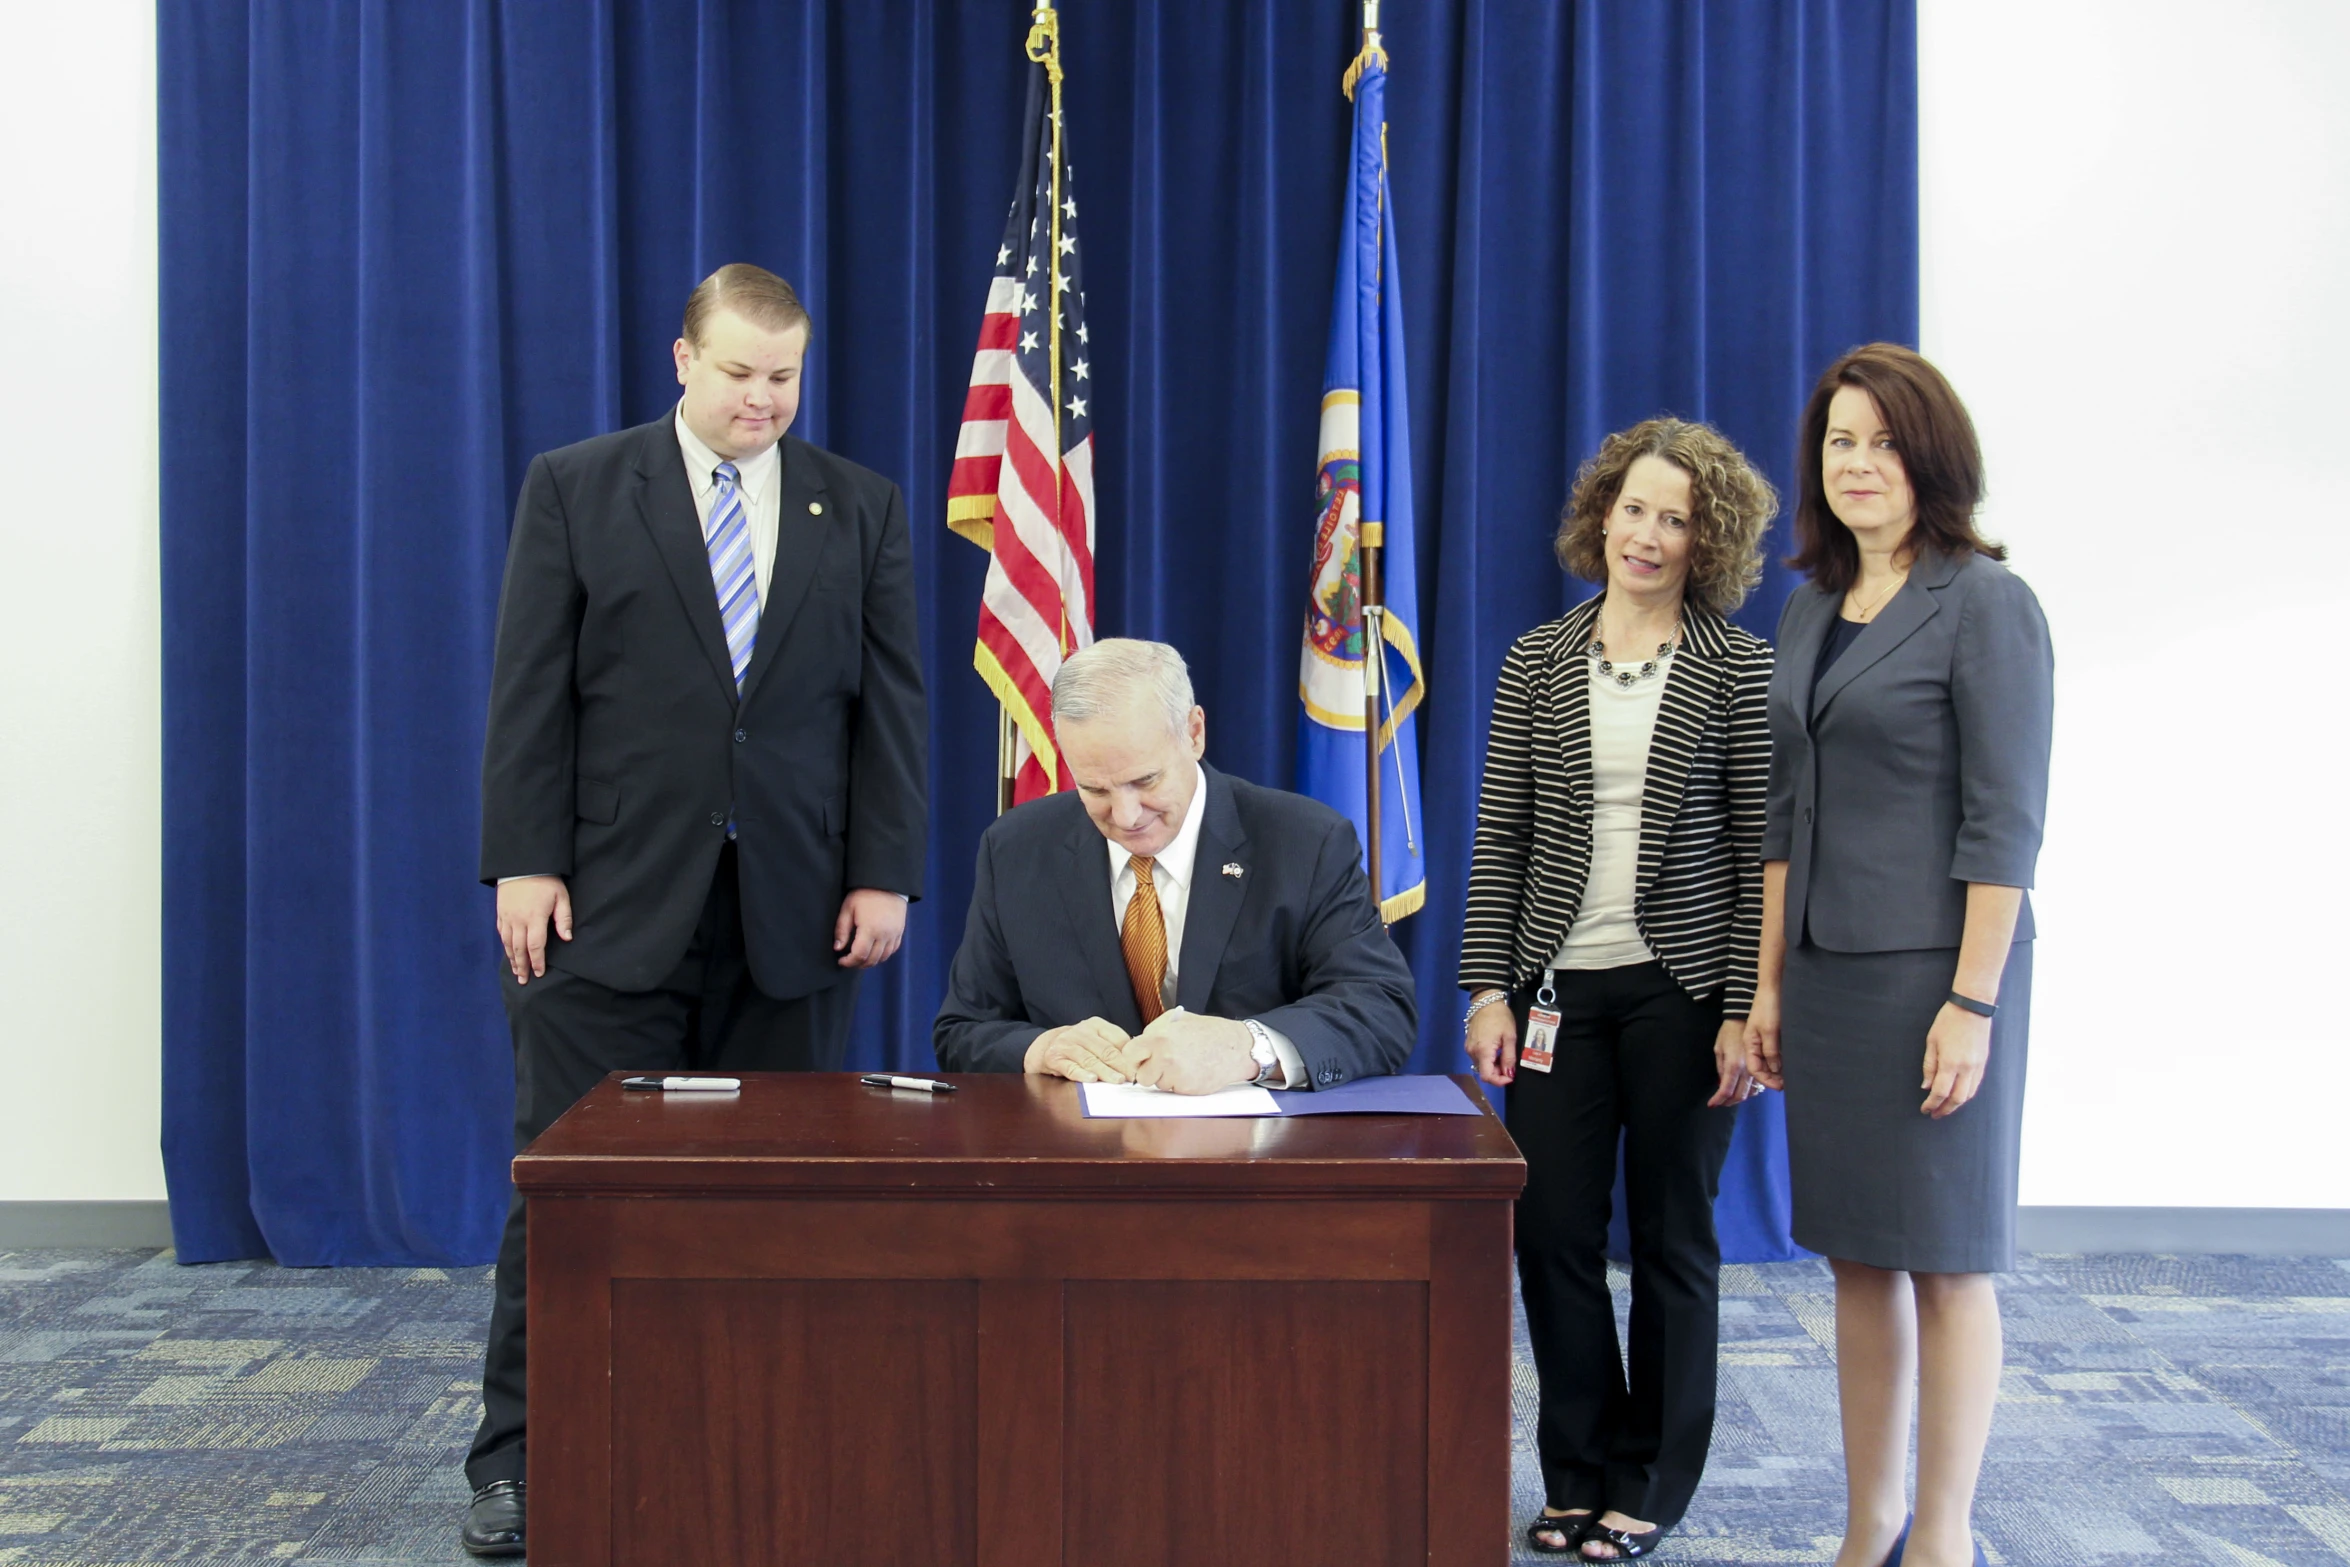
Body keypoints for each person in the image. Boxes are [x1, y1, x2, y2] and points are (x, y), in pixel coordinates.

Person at [465, 263, 927, 1555]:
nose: (762, 399)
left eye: (783, 377)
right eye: (738, 373)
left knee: (778, 1194)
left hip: (795, 914)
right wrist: (523, 858)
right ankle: (520, 1455)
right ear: (683, 360)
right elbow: (527, 693)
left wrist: (882, 866)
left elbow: (889, 705)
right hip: (600, 906)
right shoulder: (575, 486)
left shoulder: (862, 508)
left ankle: (757, 1434)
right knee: (565, 1188)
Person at [1744, 343, 2052, 1567]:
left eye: (1880, 441)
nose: (1856, 464)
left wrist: (1970, 999)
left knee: (1947, 1260)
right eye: (1837, 442)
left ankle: (1945, 1534)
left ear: (1931, 457)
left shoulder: (1984, 601)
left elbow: (2004, 822)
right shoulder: (1811, 604)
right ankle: (1870, 1521)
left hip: (1938, 974)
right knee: (1858, 1257)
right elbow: (1781, 815)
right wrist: (1767, 981)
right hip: (1824, 974)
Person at [1461, 419, 1778, 1560]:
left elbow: (1757, 857)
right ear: (1602, 513)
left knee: (1671, 1239)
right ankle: (1576, 1468)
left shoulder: (1740, 668)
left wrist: (1745, 1004)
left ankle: (1650, 1479)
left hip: (1684, 988)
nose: (1648, 534)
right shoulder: (1534, 659)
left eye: (1676, 519)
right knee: (1550, 1230)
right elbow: (1499, 838)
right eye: (1634, 508)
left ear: (1709, 542)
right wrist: (1485, 986)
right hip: (1556, 986)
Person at [934, 638, 1415, 1091]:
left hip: (1255, 1161)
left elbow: (1381, 1008)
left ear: (1195, 733)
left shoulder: (1303, 841)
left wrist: (1250, 1048)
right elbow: (963, 1031)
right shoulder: (1016, 848)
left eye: (1145, 780)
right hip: (1079, 1162)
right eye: (1095, 789)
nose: (1124, 816)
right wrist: (1039, 1049)